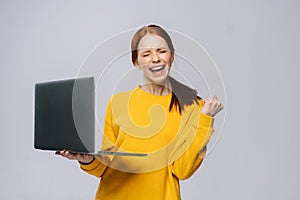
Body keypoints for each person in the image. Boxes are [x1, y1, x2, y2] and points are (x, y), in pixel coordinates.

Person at [56, 24, 223, 200]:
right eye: (146, 54)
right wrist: (85, 159)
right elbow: (105, 166)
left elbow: (183, 171)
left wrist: (205, 119)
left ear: (171, 57)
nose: (155, 59)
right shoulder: (118, 103)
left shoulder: (192, 107)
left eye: (161, 51)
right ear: (136, 62)